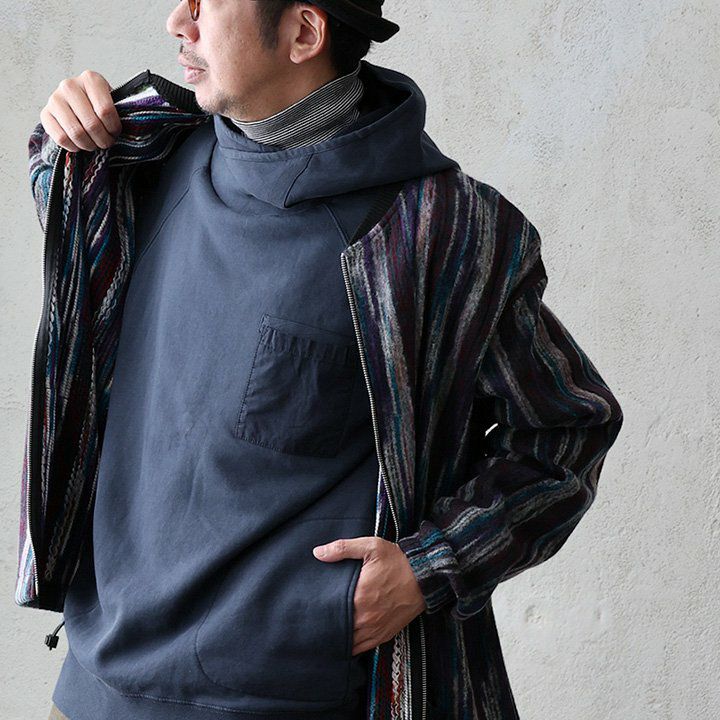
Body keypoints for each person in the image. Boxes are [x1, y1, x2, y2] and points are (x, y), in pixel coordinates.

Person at [18, 2, 624, 720]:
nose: (180, 20)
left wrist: (433, 566)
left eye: (210, 1)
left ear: (304, 33)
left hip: (293, 696)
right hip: (94, 688)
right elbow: (73, 250)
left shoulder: (436, 233)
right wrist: (67, 132)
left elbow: (566, 429)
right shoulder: (141, 163)